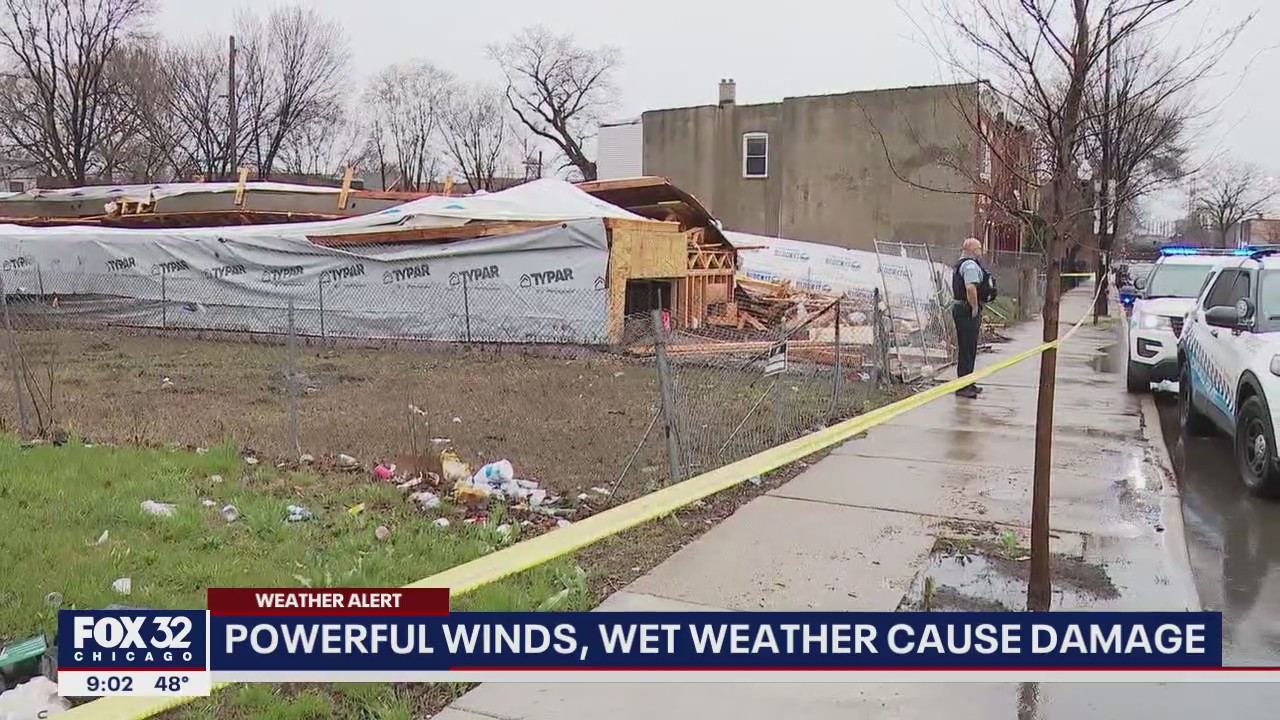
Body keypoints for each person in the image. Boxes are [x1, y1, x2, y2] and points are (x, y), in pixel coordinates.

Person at [952, 238, 990, 399]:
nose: (981, 251)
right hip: (966, 310)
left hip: (962, 308)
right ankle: (963, 386)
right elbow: (970, 287)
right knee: (967, 347)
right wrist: (974, 306)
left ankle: (968, 381)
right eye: (979, 248)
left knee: (970, 347)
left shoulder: (964, 264)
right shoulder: (969, 265)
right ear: (972, 250)